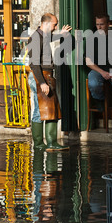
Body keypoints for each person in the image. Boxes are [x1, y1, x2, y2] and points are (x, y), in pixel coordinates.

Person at [27, 13, 72, 151]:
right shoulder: (36, 38)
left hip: (45, 77)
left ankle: (47, 143)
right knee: (41, 111)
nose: (55, 27)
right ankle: (42, 144)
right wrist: (42, 83)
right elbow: (34, 64)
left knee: (49, 109)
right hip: (40, 77)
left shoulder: (42, 36)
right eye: (54, 24)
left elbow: (51, 37)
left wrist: (62, 34)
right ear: (46, 24)